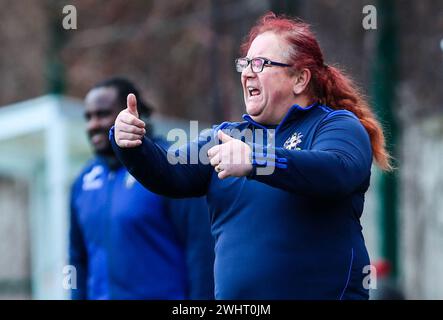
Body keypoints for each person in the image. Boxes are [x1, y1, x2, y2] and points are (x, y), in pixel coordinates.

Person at [110, 13, 392, 299]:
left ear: (299, 78)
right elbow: (167, 173)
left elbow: (338, 171)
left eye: (261, 64)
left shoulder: (336, 125)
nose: (247, 73)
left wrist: (257, 161)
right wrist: (131, 143)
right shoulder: (227, 136)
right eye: (245, 64)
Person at [69, 77, 214, 299]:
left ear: (132, 115)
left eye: (103, 114)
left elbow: (201, 248)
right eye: (88, 117)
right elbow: (75, 259)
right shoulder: (83, 182)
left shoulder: (171, 165)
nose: (93, 124)